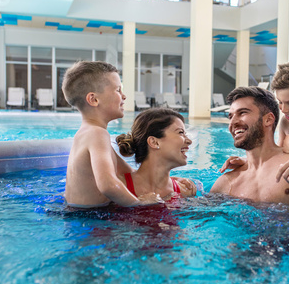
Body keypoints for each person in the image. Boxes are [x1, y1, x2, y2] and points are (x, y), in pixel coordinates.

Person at [63, 61, 162, 208]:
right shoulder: (97, 134)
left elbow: (132, 174)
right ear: (94, 99)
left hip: (79, 214)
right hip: (92, 221)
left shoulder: (88, 133)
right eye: (118, 90)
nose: (124, 96)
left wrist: (170, 181)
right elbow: (108, 185)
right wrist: (139, 204)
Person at [116, 108, 197, 201]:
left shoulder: (186, 191)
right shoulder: (117, 188)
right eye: (181, 132)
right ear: (154, 142)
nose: (189, 141)